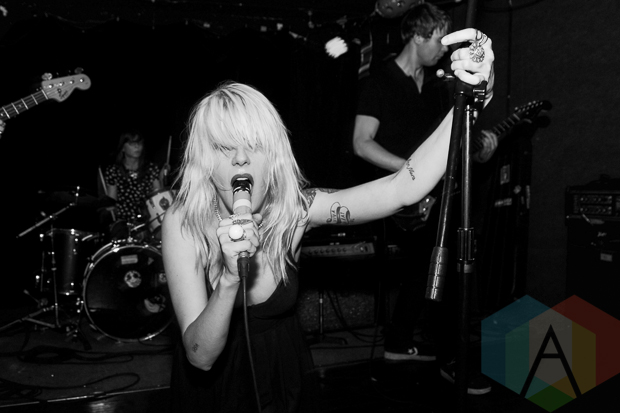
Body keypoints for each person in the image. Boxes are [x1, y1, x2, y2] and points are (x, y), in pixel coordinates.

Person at [161, 27, 494, 413]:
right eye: (223, 146)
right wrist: (229, 281)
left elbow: (402, 189)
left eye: (253, 144)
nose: (240, 159)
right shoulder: (183, 222)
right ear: (204, 161)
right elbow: (200, 356)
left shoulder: (295, 210)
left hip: (282, 375)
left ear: (273, 155)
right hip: (211, 393)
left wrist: (471, 99)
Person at [352, 3, 498, 394]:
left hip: (434, 200)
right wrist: (409, 173)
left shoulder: (437, 86)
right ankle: (450, 359)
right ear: (418, 36)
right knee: (438, 266)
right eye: (439, 41)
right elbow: (362, 143)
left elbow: (447, 144)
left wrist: (478, 148)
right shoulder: (380, 81)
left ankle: (404, 343)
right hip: (396, 199)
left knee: (432, 267)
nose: (443, 51)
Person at [102, 129, 169, 241]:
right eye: (132, 143)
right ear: (123, 148)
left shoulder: (151, 168)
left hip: (146, 221)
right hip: (124, 223)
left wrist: (162, 179)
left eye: (139, 143)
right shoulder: (113, 170)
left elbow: (158, 199)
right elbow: (111, 203)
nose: (137, 146)